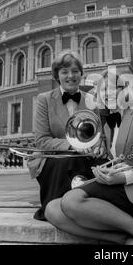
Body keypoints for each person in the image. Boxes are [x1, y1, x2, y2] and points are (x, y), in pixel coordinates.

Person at [44, 68, 133, 245]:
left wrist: (124, 177)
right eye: (103, 90)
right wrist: (103, 170)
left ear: (126, 89)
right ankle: (125, 240)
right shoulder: (106, 125)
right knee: (51, 209)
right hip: (119, 193)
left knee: (70, 201)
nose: (107, 94)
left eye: (114, 88)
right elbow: (119, 159)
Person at [31, 51, 106, 221]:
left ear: (81, 73)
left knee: (104, 165)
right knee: (67, 161)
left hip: (85, 156)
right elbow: (42, 140)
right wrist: (72, 146)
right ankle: (56, 208)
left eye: (74, 71)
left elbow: (98, 135)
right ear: (57, 76)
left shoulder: (91, 99)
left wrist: (99, 147)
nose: (70, 76)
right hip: (53, 158)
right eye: (64, 72)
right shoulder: (44, 99)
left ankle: (95, 209)